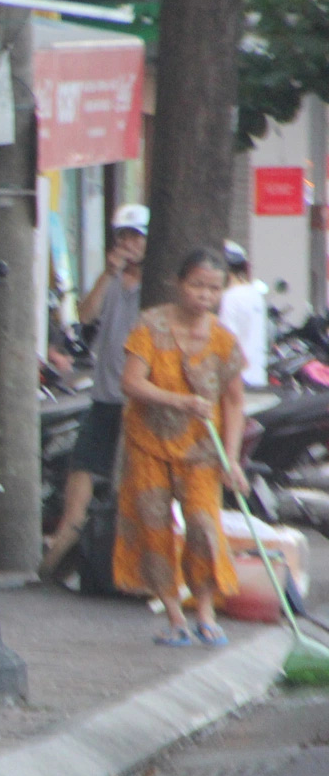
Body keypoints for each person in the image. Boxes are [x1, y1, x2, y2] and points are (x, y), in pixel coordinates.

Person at [116, 248, 248, 648]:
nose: (204, 296)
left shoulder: (224, 340)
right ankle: (174, 616)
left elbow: (234, 402)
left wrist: (233, 457)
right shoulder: (150, 326)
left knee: (204, 527)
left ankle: (205, 612)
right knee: (154, 528)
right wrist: (179, 402)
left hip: (203, 451)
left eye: (213, 288)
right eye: (196, 285)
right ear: (178, 284)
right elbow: (132, 382)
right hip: (149, 443)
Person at [41, 203, 149, 581]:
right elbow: (85, 316)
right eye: (124, 236)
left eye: (138, 236)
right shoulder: (114, 284)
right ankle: (49, 569)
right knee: (79, 482)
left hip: (138, 404)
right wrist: (107, 274)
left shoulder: (154, 290)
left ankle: (119, 574)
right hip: (104, 400)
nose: (130, 244)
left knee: (126, 491)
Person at [218, 240, 269, 390]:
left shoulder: (229, 297)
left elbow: (226, 340)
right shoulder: (255, 294)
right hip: (256, 375)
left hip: (237, 379)